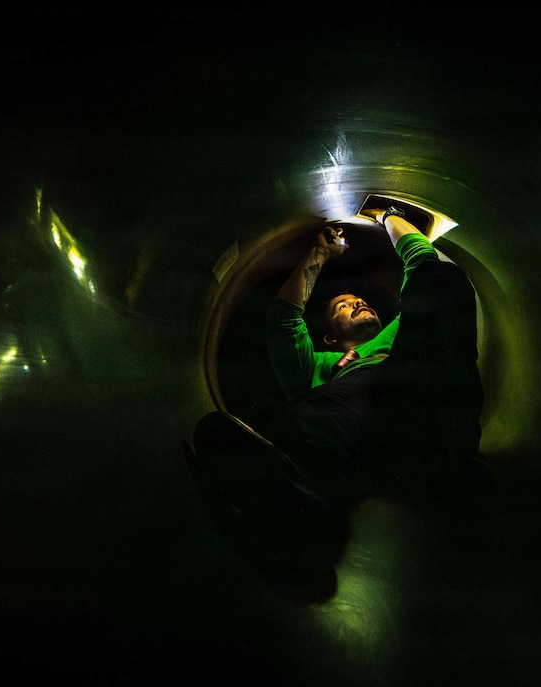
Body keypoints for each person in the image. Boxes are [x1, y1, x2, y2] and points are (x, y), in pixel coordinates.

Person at [188, 205, 486, 598]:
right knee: (319, 411)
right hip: (359, 436)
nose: (359, 302)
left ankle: (292, 508)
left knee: (443, 282)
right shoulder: (318, 366)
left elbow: (426, 275)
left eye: (361, 300)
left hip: (417, 407)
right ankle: (299, 509)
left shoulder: (398, 338)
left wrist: (387, 217)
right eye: (342, 305)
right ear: (330, 337)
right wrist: (320, 253)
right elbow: (283, 320)